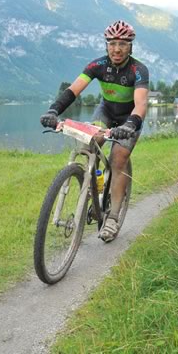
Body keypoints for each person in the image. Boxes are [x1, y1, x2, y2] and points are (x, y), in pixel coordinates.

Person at [39, 20, 149, 242]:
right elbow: (73, 90)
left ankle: (113, 217)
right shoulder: (97, 65)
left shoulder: (138, 70)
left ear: (131, 46)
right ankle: (95, 186)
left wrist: (130, 125)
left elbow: (141, 104)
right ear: (106, 44)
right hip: (106, 111)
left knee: (118, 159)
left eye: (122, 44)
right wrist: (53, 111)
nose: (116, 49)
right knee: (90, 144)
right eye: (112, 43)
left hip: (130, 118)